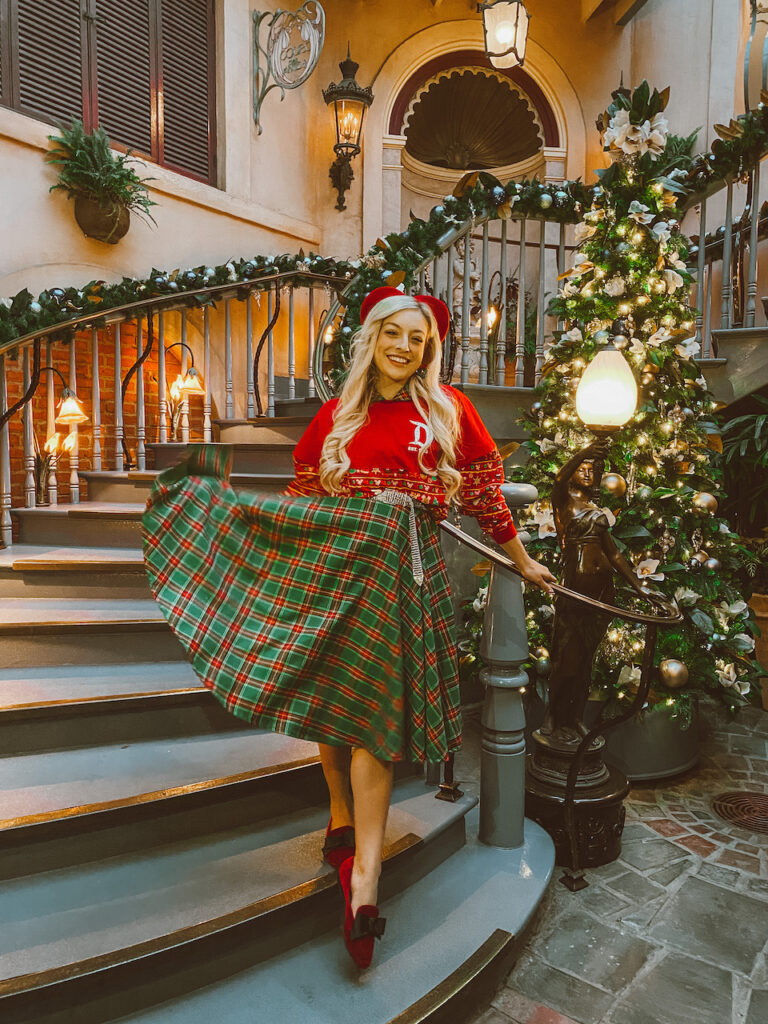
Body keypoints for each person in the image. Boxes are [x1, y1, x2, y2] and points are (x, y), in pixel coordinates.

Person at [142, 287, 555, 970]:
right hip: (338, 574)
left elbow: (484, 496)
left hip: (405, 583)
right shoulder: (337, 415)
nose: (405, 346)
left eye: (417, 339)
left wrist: (522, 559)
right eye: (393, 333)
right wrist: (253, 522)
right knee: (339, 715)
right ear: (372, 340)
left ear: (429, 350)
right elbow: (305, 497)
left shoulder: (451, 411)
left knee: (373, 726)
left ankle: (363, 877)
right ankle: (339, 817)